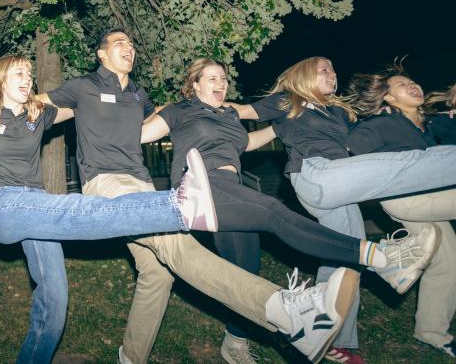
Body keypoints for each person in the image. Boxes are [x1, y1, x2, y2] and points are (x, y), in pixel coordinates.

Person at [0, 54, 388, 364]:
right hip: (28, 198)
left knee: (141, 276)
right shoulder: (41, 99)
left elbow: (101, 115)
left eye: (30, 72)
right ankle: (186, 210)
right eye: (19, 72)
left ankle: (277, 313)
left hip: (121, 189)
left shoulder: (58, 110)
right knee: (81, 213)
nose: (28, 78)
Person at [140, 58, 442, 363]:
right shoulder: (179, 110)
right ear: (194, 85)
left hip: (229, 193)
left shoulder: (228, 120)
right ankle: (379, 258)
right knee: (274, 212)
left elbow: (248, 143)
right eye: (212, 79)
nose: (221, 84)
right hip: (201, 187)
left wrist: (280, 125)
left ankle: (236, 342)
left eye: (224, 79)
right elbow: (141, 134)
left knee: (244, 271)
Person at [231, 56, 455, 363]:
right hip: (317, 175)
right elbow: (241, 114)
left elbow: (274, 135)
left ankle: (331, 338)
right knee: (413, 162)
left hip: (341, 186)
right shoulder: (289, 100)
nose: (332, 73)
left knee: (347, 258)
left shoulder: (335, 111)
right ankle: (389, 263)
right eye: (324, 68)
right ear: (305, 74)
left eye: (334, 69)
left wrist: (386, 113)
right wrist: (204, 118)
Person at [347, 67, 456, 359]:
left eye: (413, 81)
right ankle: (392, 254)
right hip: (405, 201)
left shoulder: (429, 124)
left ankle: (431, 332)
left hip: (434, 198)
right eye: (403, 84)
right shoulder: (383, 123)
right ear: (389, 99)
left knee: (448, 263)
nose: (413, 85)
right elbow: (347, 149)